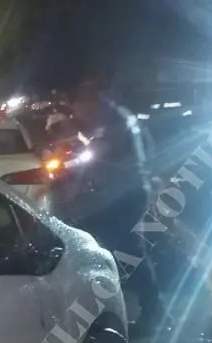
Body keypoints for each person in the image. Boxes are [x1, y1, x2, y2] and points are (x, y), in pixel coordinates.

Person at [61, 78, 160, 328]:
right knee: (122, 247)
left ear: (90, 101)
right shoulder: (114, 117)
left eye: (79, 107)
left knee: (126, 248)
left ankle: (151, 309)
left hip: (127, 194)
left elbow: (100, 157)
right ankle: (143, 307)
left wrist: (78, 183)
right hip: (126, 191)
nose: (78, 114)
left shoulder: (113, 121)